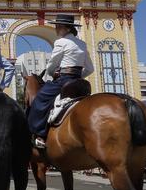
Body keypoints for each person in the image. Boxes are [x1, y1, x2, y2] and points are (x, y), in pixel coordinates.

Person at [27, 14, 95, 149]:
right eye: (56, 26)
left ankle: (39, 135)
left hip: (64, 80)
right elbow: (90, 69)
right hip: (78, 81)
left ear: (68, 28)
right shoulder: (82, 44)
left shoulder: (61, 42)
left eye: (59, 26)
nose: (56, 29)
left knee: (40, 99)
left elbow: (52, 64)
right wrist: (79, 76)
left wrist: (52, 74)